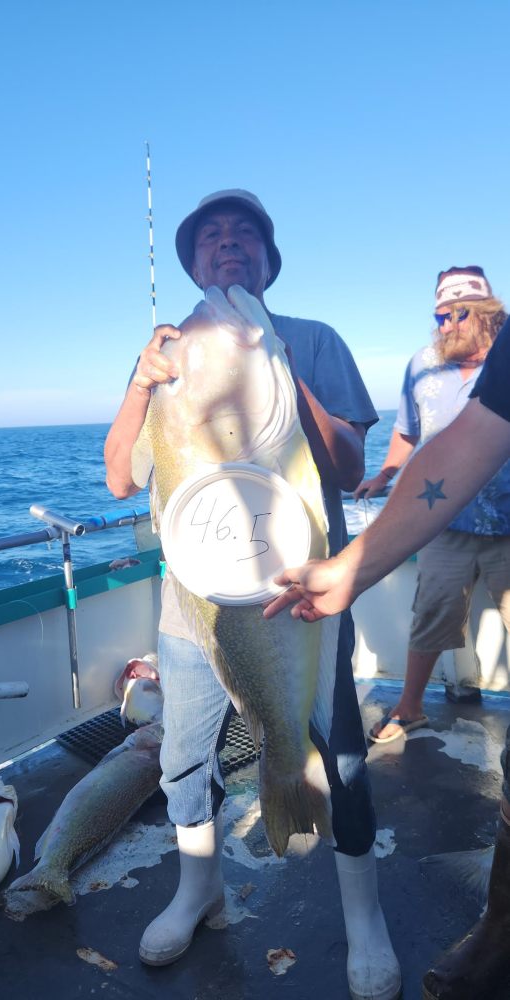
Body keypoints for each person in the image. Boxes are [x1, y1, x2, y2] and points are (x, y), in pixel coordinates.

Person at [105, 189, 402, 1000]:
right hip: (193, 606)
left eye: (244, 236)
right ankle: (198, 892)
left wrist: (277, 363)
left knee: (337, 753)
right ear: (194, 263)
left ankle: (363, 917)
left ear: (269, 261)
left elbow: (344, 468)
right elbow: (122, 475)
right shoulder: (168, 351)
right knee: (182, 757)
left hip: (301, 595)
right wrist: (141, 382)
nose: (227, 245)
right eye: (210, 239)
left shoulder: (311, 339)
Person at [263, 314, 510, 1000]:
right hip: (450, 529)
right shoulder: (435, 374)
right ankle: (503, 921)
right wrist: (353, 568)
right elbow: (471, 439)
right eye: (443, 309)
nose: (454, 318)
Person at [353, 266, 508, 744]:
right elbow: (406, 431)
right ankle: (410, 707)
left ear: (487, 314)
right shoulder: (422, 363)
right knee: (430, 615)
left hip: (508, 525)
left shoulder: (505, 360)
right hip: (443, 522)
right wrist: (385, 473)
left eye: (458, 314)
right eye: (440, 316)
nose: (446, 325)